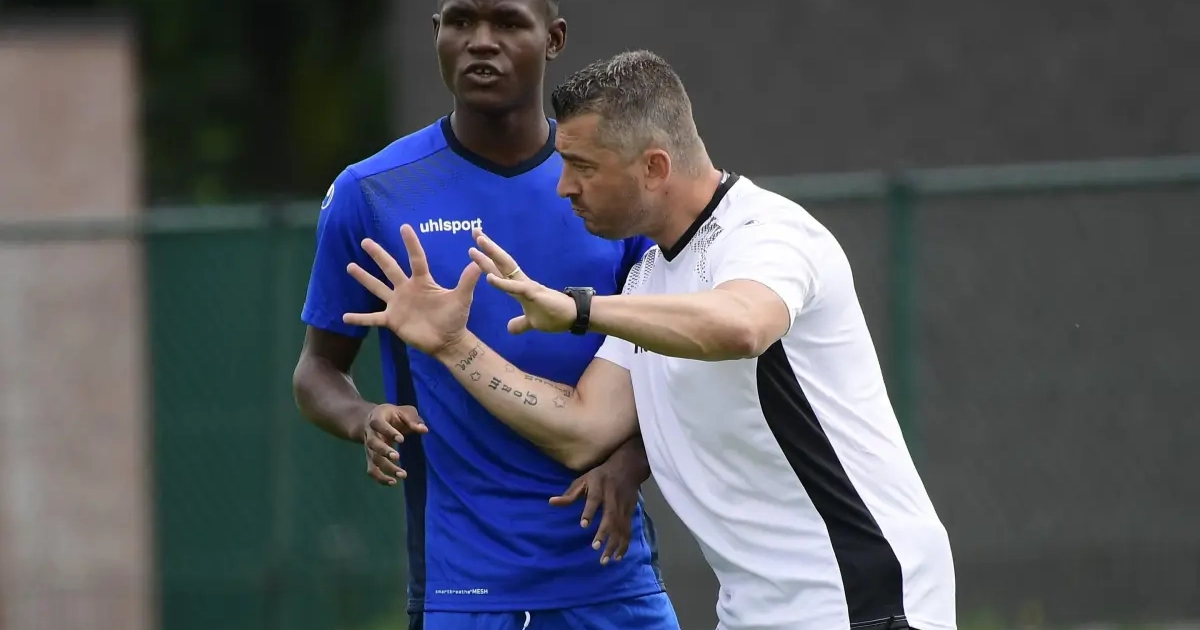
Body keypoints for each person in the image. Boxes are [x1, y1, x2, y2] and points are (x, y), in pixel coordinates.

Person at [339, 50, 958, 630]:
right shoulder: (648, 278)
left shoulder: (766, 233)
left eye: (583, 167)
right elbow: (581, 428)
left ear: (655, 168)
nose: (563, 186)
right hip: (755, 608)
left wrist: (581, 310)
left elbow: (742, 325)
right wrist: (453, 346)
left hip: (860, 596)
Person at [293, 4, 679, 628]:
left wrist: (632, 460)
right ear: (436, 34)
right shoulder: (373, 193)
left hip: (611, 579)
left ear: (553, 39)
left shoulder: (613, 187)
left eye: (507, 23)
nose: (481, 42)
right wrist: (364, 417)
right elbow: (317, 370)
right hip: (464, 590)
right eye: (461, 22)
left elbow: (675, 365)